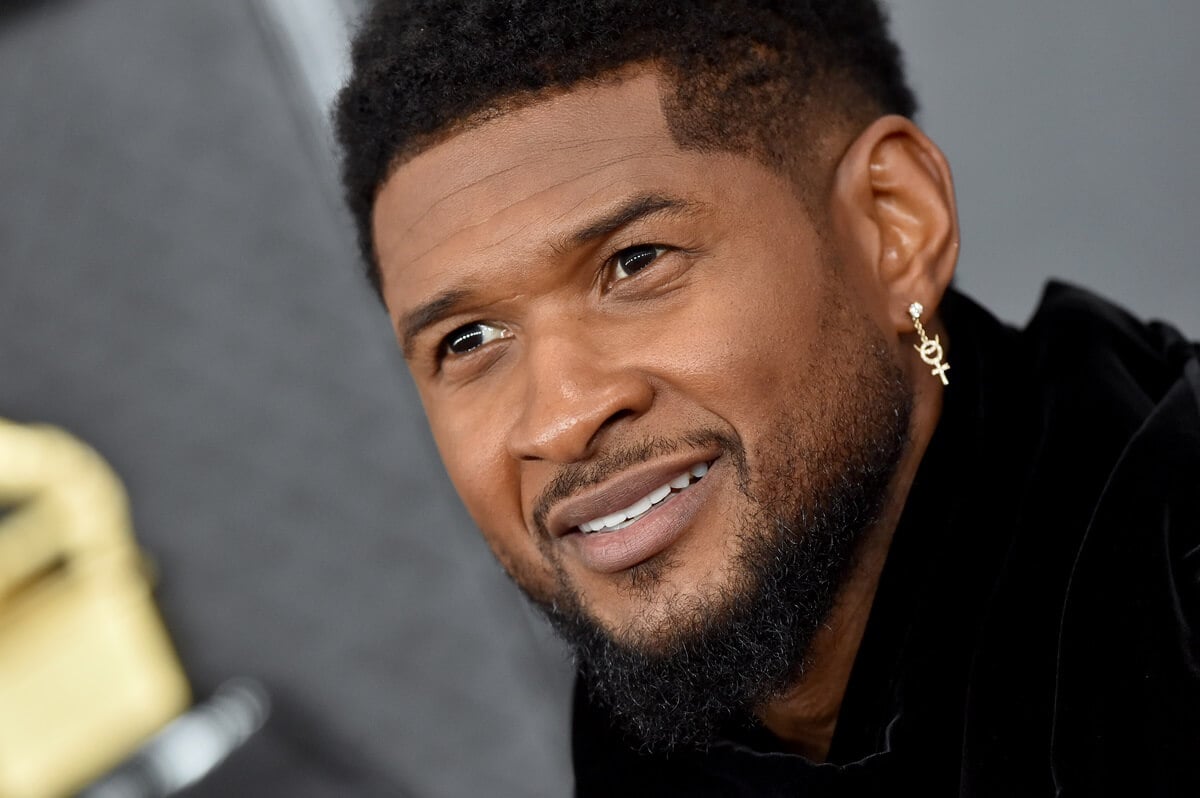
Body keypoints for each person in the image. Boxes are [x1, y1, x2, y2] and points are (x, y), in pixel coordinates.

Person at [333, 1, 1200, 794]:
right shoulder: (653, 724)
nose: (559, 417)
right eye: (468, 341)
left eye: (636, 262)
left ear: (893, 230)